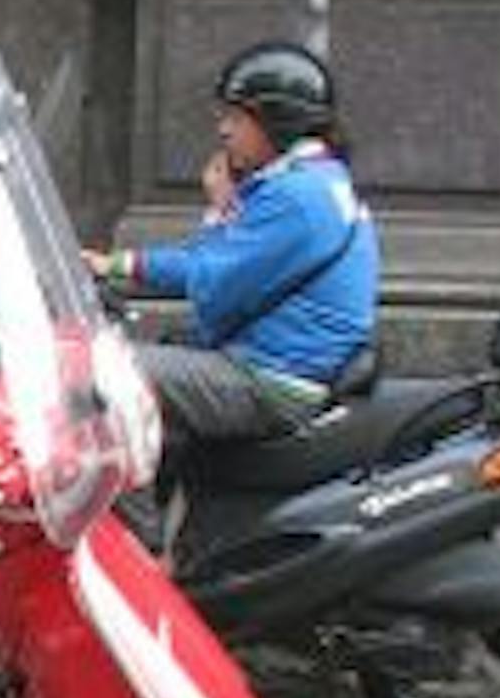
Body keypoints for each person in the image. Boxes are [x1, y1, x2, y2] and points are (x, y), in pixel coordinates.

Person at [85, 39, 379, 462]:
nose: (224, 131)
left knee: (98, 378)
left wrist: (114, 265)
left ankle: (129, 529)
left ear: (278, 123)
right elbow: (229, 269)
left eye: (237, 118)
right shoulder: (315, 180)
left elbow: (210, 280)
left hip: (271, 380)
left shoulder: (297, 196)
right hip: (277, 365)